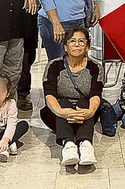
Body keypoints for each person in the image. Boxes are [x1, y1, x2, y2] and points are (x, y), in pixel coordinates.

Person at [41, 28, 102, 167]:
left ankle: (86, 145)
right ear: (65, 46)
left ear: (87, 46)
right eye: (72, 41)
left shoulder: (95, 67)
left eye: (81, 41)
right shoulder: (54, 65)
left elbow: (95, 94)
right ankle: (68, 146)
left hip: (85, 112)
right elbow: (49, 94)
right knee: (62, 102)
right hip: (58, 113)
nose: (77, 44)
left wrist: (90, 111)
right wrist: (61, 111)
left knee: (84, 102)